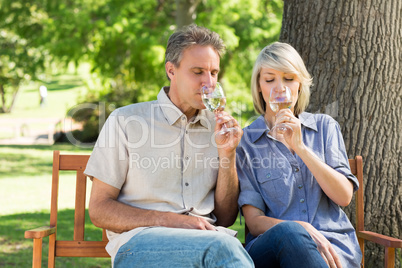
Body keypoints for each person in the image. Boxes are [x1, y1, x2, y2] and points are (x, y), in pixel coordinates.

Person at [84, 24, 254, 267]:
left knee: (227, 247)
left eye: (214, 73)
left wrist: (227, 155)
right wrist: (170, 220)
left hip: (207, 243)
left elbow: (225, 218)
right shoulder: (126, 121)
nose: (209, 83)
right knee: (224, 249)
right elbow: (100, 210)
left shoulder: (218, 128)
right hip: (140, 244)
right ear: (171, 70)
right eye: (198, 72)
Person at [236, 42, 362, 268]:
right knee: (291, 233)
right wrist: (300, 228)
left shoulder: (325, 127)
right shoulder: (246, 141)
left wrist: (301, 147)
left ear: (300, 85)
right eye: (269, 79)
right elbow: (254, 223)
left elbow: (344, 197)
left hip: (334, 245)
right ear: (259, 86)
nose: (279, 88)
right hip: (274, 247)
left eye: (288, 78)